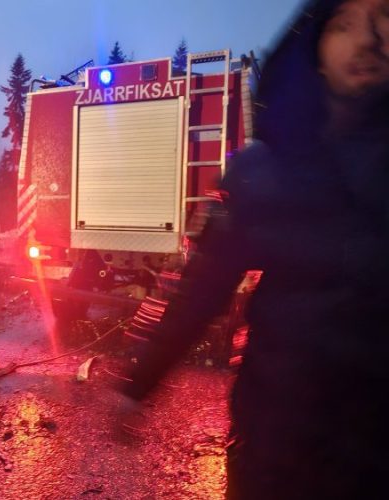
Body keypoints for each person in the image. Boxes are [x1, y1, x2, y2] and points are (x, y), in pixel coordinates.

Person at [119, 0, 389, 498]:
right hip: (276, 452)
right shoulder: (262, 170)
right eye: (345, 24)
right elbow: (201, 290)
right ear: (317, 50)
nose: (367, 38)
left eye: (384, 19)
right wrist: (138, 384)